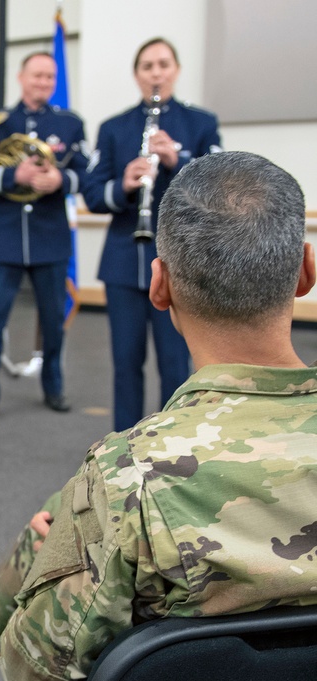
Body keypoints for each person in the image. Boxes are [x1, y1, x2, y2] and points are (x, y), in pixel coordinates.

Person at [0, 151, 317, 681]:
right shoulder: (127, 478)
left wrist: (55, 573)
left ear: (159, 284)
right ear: (306, 271)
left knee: (66, 524)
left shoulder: (129, 478)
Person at [83, 37, 221, 432]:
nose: (156, 73)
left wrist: (179, 161)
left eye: (163, 64)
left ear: (176, 70)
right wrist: (124, 184)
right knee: (126, 362)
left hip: (180, 265)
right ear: (136, 74)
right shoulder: (113, 128)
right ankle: (125, 447)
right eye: (147, 66)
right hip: (123, 263)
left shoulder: (200, 123)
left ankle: (172, 445)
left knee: (175, 364)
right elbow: (93, 194)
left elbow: (218, 187)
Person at [0, 52, 88, 423]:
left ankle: (53, 386)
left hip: (50, 240)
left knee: (52, 323)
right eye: (37, 76)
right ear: (21, 77)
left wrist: (60, 181)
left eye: (50, 77)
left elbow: (88, 174)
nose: (44, 83)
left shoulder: (70, 124)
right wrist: (10, 177)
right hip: (5, 240)